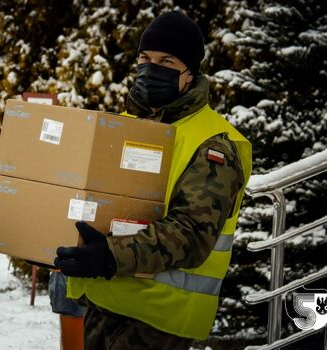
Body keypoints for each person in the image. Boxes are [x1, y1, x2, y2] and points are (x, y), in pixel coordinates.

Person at [54, 10, 252, 350]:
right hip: (103, 302)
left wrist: (110, 255)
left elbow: (190, 234)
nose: (150, 68)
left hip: (156, 321)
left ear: (189, 74)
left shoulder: (214, 143)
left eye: (166, 61)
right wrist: (49, 243)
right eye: (144, 58)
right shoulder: (127, 125)